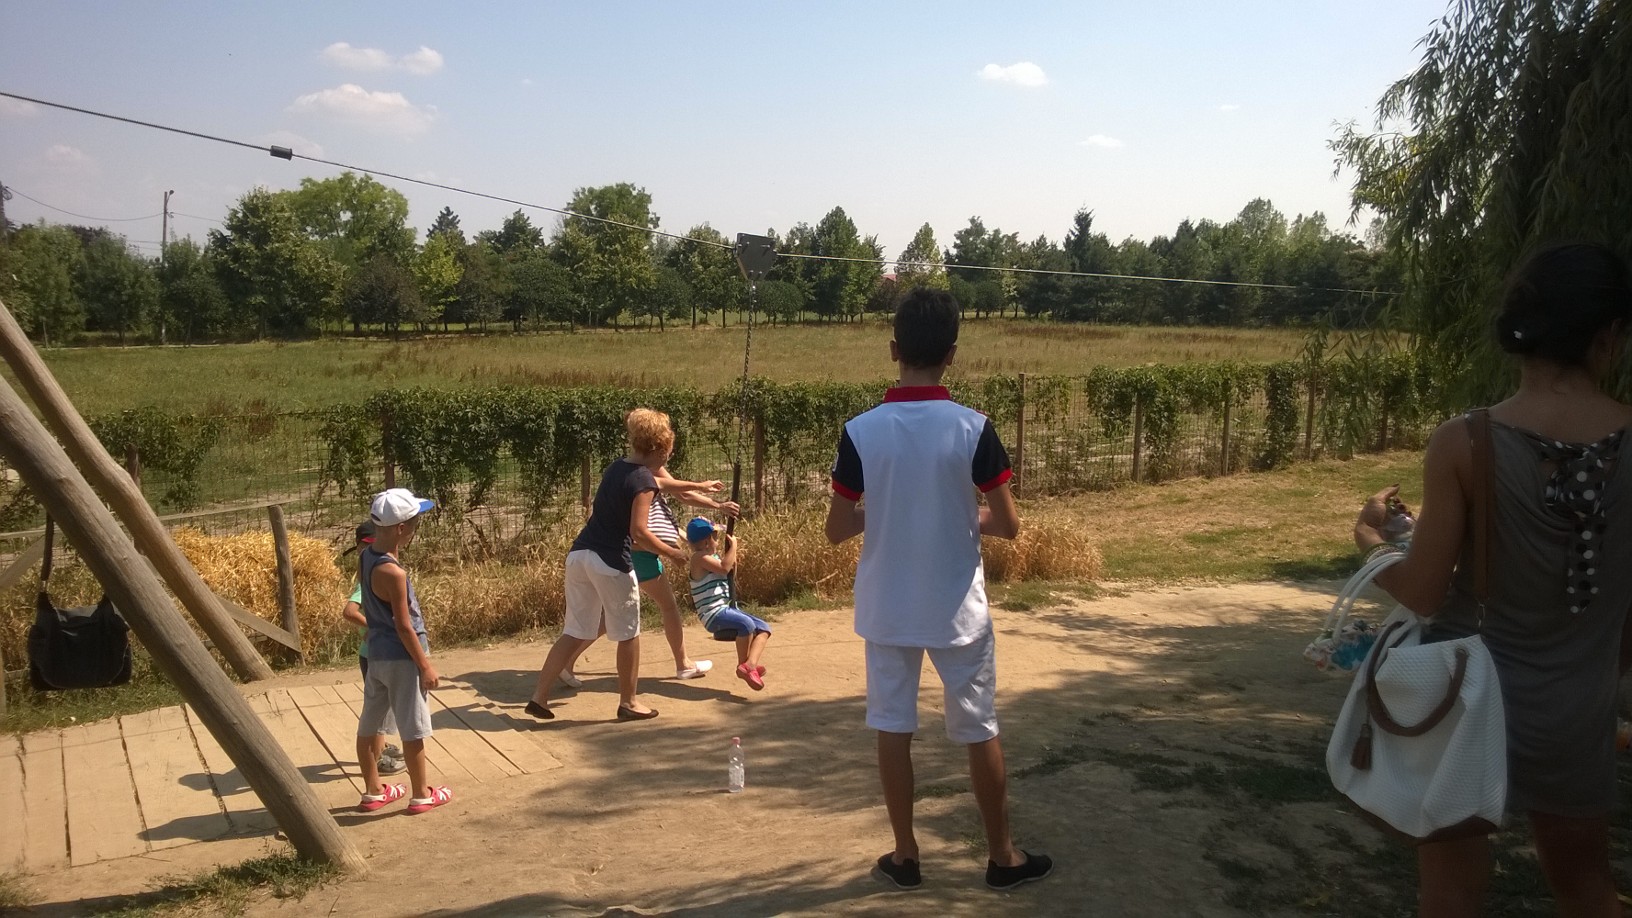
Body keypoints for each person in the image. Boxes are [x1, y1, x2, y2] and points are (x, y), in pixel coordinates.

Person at [1353, 243, 1632, 917]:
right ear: (1608, 335)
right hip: (1576, 708)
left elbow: (1424, 590)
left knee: (1451, 896)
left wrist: (1369, 543)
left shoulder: (1466, 441)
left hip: (1465, 700)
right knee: (1587, 889)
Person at [824, 288, 1053, 892]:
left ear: (893, 349)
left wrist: (888, 512)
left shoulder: (860, 432)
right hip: (957, 610)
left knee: (892, 727)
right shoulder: (974, 429)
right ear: (952, 354)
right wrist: (960, 515)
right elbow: (1008, 524)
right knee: (979, 728)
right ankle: (1002, 856)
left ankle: (905, 855)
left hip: (888, 608)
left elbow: (837, 528)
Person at [526, 408, 689, 721]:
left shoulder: (616, 467)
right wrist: (673, 553)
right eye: (668, 450)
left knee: (574, 631)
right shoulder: (644, 480)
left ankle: (539, 697)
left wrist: (698, 487)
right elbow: (639, 531)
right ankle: (629, 702)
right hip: (610, 560)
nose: (669, 456)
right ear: (658, 448)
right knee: (628, 633)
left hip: (579, 555)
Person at [558, 468, 738, 688]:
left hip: (629, 552)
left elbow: (670, 503)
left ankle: (567, 662)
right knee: (667, 607)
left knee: (610, 615)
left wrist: (687, 530)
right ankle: (683, 665)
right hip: (640, 554)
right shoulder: (645, 472)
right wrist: (717, 504)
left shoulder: (629, 471)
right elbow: (682, 494)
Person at [355, 487, 453, 815]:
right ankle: (421, 794)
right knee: (413, 728)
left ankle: (373, 791)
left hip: (376, 656)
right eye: (414, 523)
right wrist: (424, 666)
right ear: (400, 528)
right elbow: (404, 625)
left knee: (369, 725)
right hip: (402, 660)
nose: (415, 529)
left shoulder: (366, 557)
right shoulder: (394, 573)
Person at [339, 519, 404, 776]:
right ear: (358, 548)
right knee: (378, 709)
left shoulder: (368, 572)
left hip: (371, 653)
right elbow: (349, 612)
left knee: (380, 705)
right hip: (375, 653)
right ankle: (378, 760)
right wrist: (376, 627)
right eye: (367, 545)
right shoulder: (367, 579)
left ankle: (381, 747)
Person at [684, 516, 770, 690]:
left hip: (726, 609)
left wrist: (732, 560)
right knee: (746, 624)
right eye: (716, 538)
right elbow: (724, 568)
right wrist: (734, 547)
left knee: (763, 628)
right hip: (713, 613)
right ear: (707, 542)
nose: (718, 542)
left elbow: (728, 569)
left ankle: (750, 665)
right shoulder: (699, 558)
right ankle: (744, 667)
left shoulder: (712, 557)